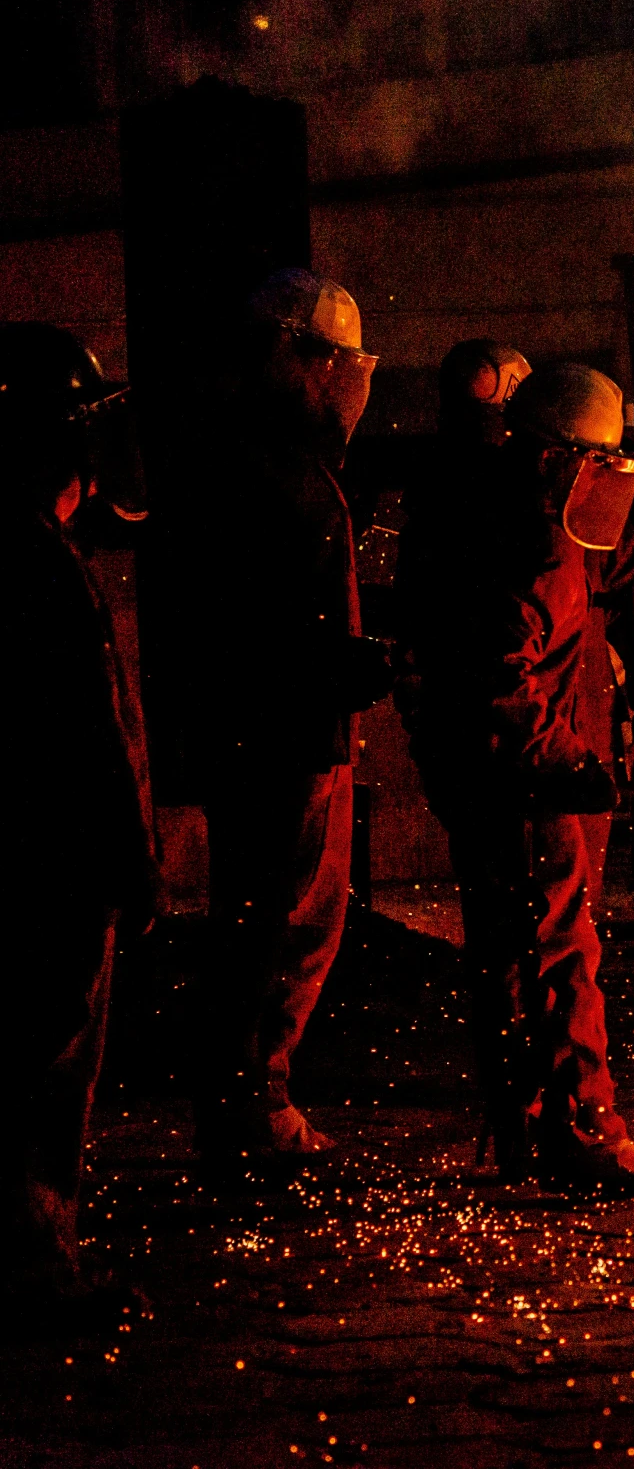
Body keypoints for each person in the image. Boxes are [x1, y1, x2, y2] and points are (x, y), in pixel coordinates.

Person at [398, 361, 634, 1190]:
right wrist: (573, 764)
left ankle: (526, 1131)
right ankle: (587, 1135)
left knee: (506, 956)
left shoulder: (484, 506)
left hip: (482, 776)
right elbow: (503, 677)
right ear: (564, 457)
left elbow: (601, 568)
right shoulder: (534, 549)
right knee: (560, 955)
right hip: (525, 783)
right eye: (599, 463)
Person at [177, 269, 391, 1175]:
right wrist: (341, 666)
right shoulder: (254, 467)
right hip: (279, 738)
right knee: (269, 926)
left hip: (296, 728)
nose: (340, 380)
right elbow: (253, 622)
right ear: (290, 355)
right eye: (329, 360)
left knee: (280, 922)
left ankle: (253, 1103)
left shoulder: (274, 460)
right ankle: (247, 1113)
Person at [2, 324, 154, 1317]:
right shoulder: (36, 562)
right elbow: (87, 732)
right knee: (44, 1062)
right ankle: (33, 1267)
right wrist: (128, 862)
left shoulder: (26, 545)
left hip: (34, 851)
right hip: (51, 862)